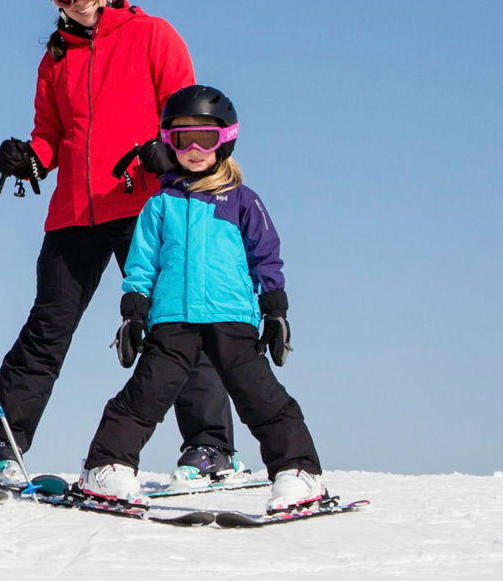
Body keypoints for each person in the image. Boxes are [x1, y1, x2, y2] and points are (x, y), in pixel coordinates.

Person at [0, 0, 233, 484]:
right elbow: (50, 137)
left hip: (145, 203)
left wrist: (166, 151)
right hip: (75, 211)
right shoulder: (55, 59)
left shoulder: (153, 35)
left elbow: (185, 114)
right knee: (47, 328)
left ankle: (210, 447)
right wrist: (29, 157)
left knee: (176, 319)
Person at [71, 85, 328, 513]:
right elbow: (141, 262)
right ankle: (107, 466)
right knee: (145, 394)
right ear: (167, 142)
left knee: (260, 395)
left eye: (205, 138)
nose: (193, 148)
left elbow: (266, 255)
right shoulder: (160, 204)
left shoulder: (243, 201)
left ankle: (298, 471)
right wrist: (133, 312)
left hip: (231, 317)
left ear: (225, 140)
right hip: (172, 319)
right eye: (181, 138)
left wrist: (275, 310)